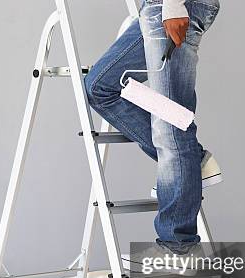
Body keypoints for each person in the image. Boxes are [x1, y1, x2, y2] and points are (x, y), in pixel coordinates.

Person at [85, 0, 221, 254]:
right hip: (158, 8)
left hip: (170, 7)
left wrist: (172, 6)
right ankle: (194, 164)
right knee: (100, 87)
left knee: (170, 126)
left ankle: (178, 247)